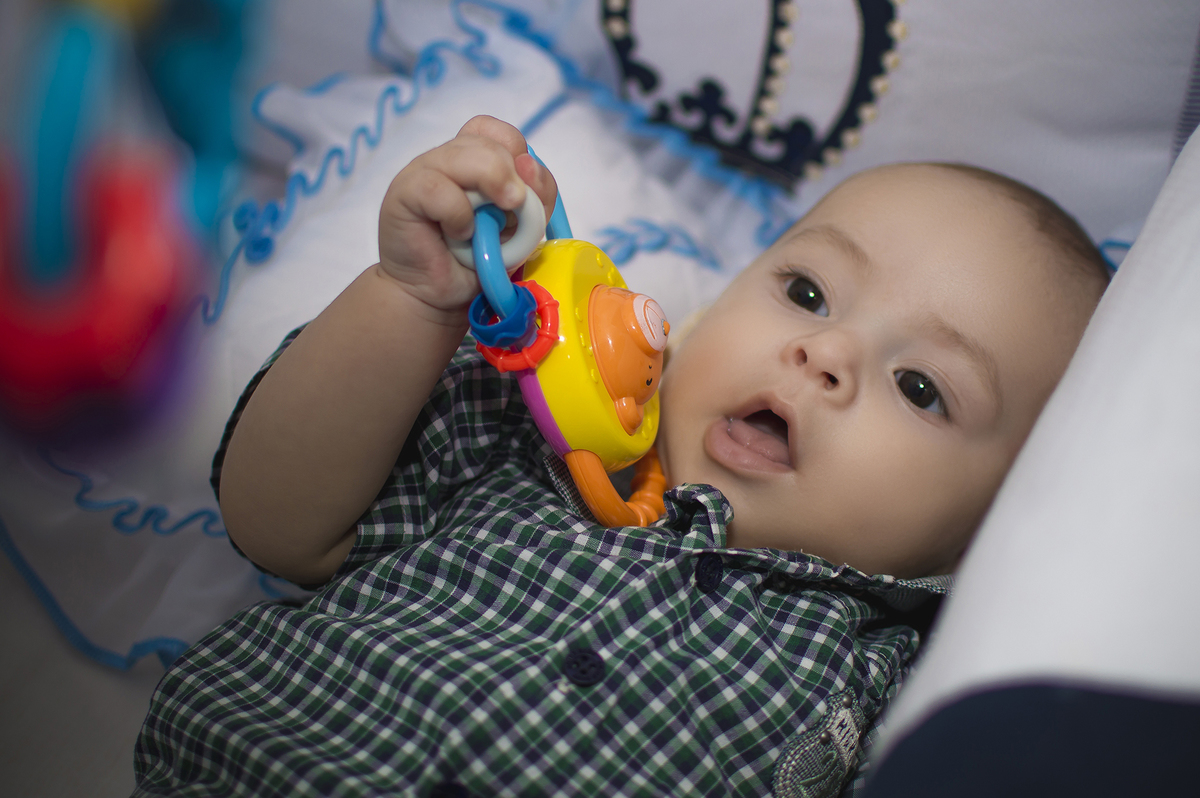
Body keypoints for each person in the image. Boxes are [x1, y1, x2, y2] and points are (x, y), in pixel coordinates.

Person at [133, 116, 1109, 797]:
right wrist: (410, 300)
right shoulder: (530, 430)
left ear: (985, 531)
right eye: (807, 293)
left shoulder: (886, 671)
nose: (827, 355)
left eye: (922, 388)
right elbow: (275, 522)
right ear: (713, 306)